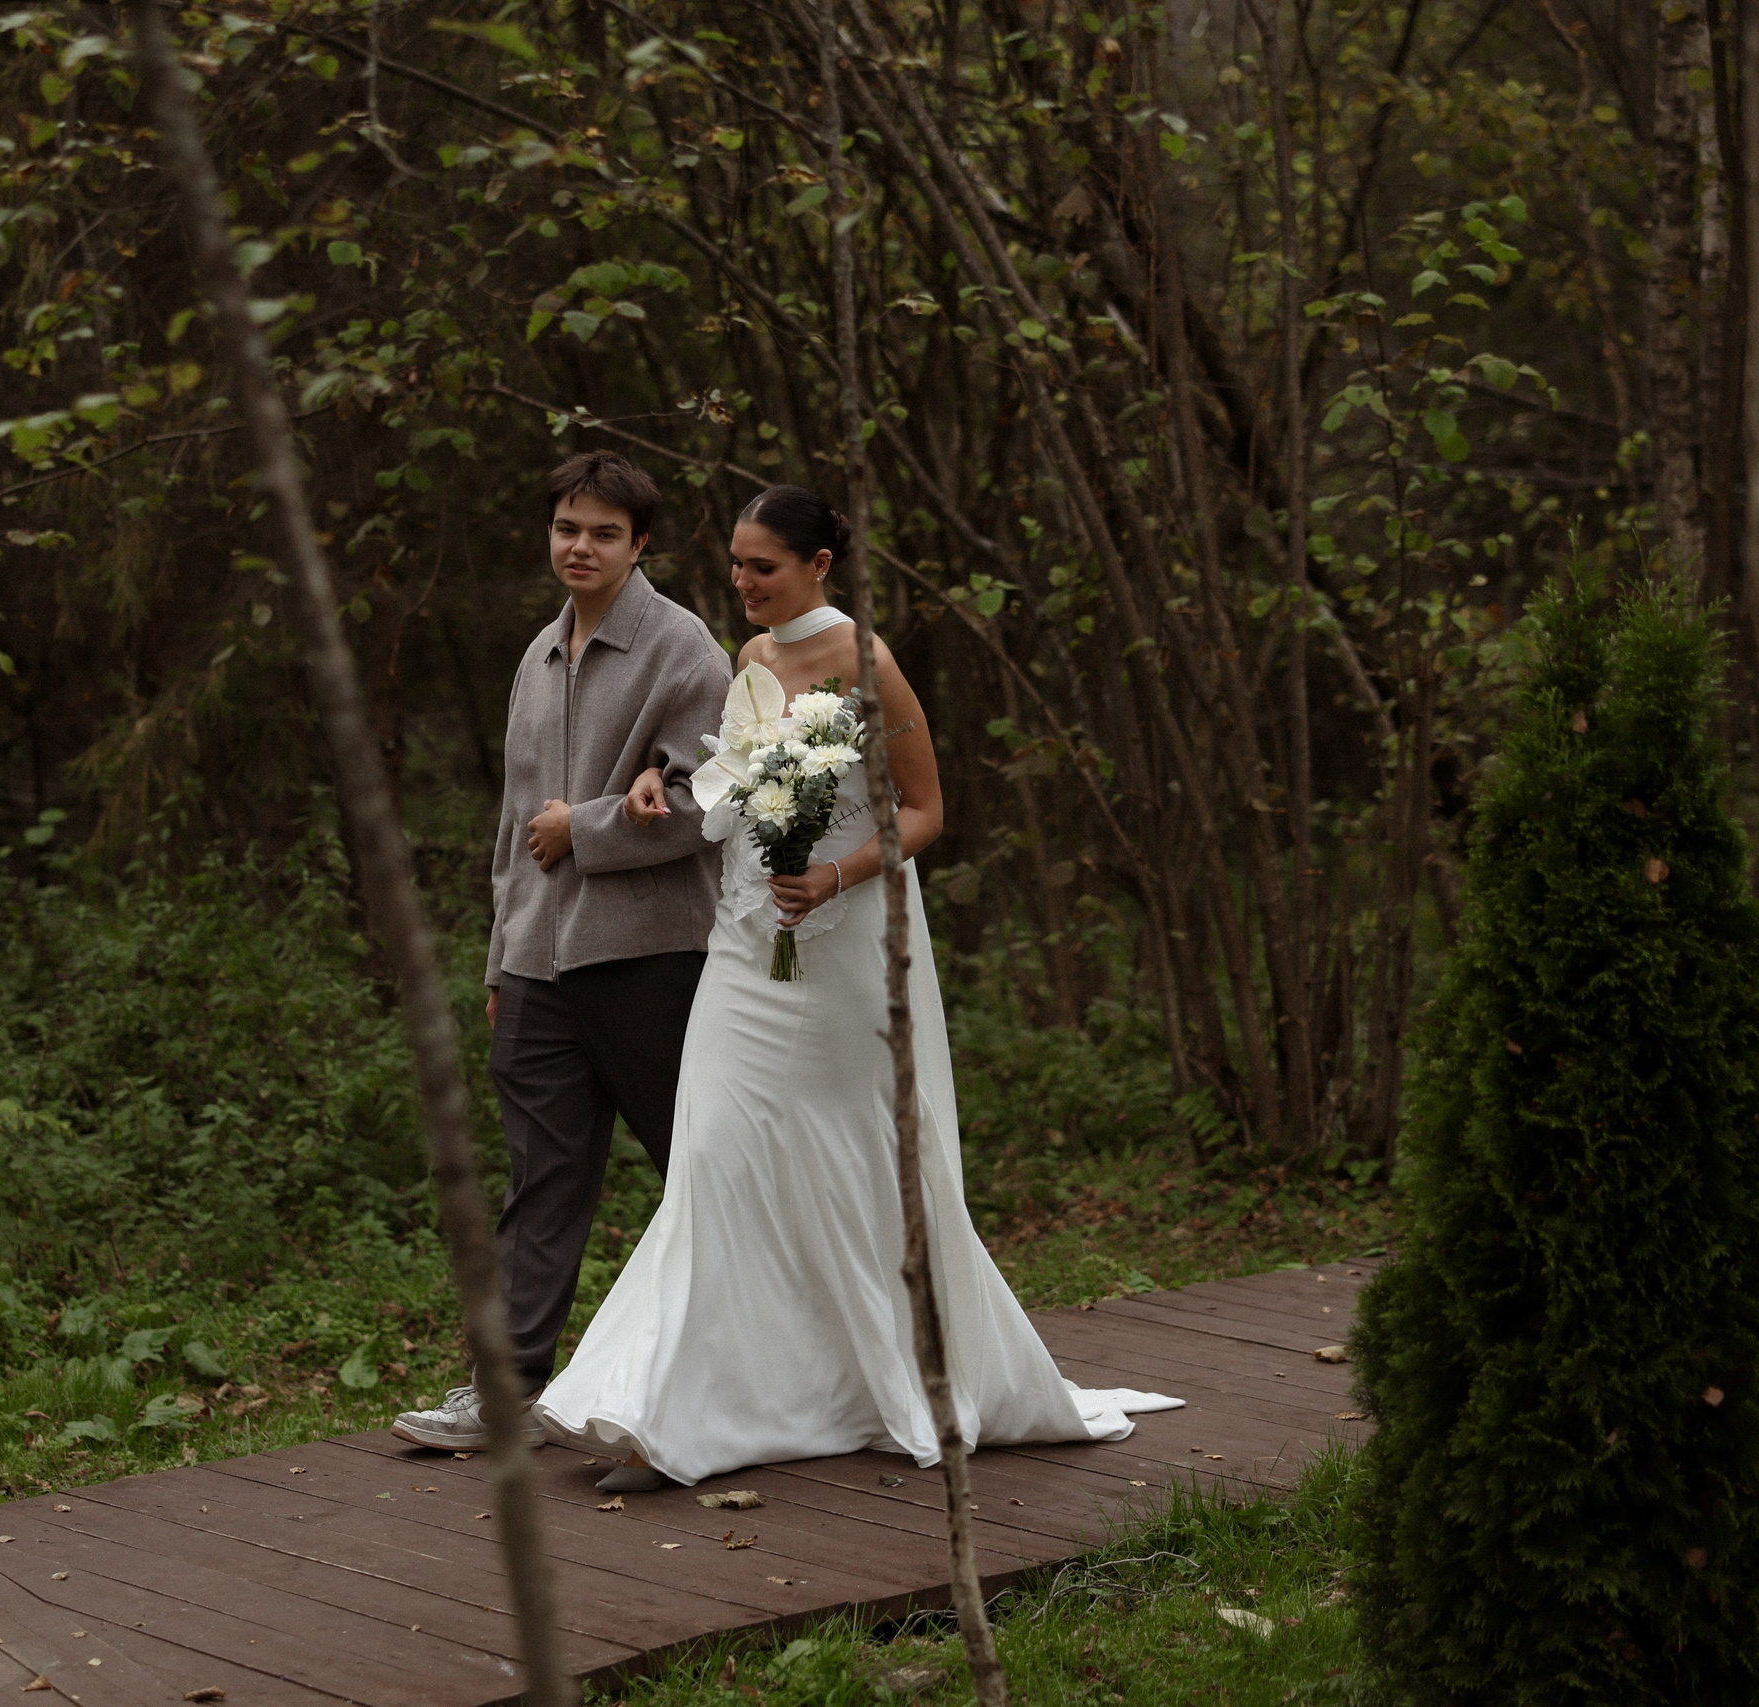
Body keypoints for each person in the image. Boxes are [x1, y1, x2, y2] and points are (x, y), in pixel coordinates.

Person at [533, 485, 1180, 1492]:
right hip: (749, 940)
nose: (742, 584)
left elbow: (925, 810)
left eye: (764, 567)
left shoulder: (865, 660)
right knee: (715, 1152)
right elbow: (733, 781)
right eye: (737, 565)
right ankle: (674, 1410)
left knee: (855, 1149)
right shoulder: (748, 660)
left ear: (819, 566)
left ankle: (871, 1370)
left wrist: (837, 872)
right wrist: (666, 788)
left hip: (840, 941)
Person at [390, 452, 733, 1452]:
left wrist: (582, 830)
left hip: (651, 960)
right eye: (566, 528)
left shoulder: (685, 652)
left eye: (603, 532)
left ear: (640, 545)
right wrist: (501, 958)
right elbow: (513, 827)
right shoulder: (539, 654)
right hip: (538, 967)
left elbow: (705, 801)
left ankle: (726, 1376)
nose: (579, 547)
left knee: (697, 1174)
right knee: (541, 1180)